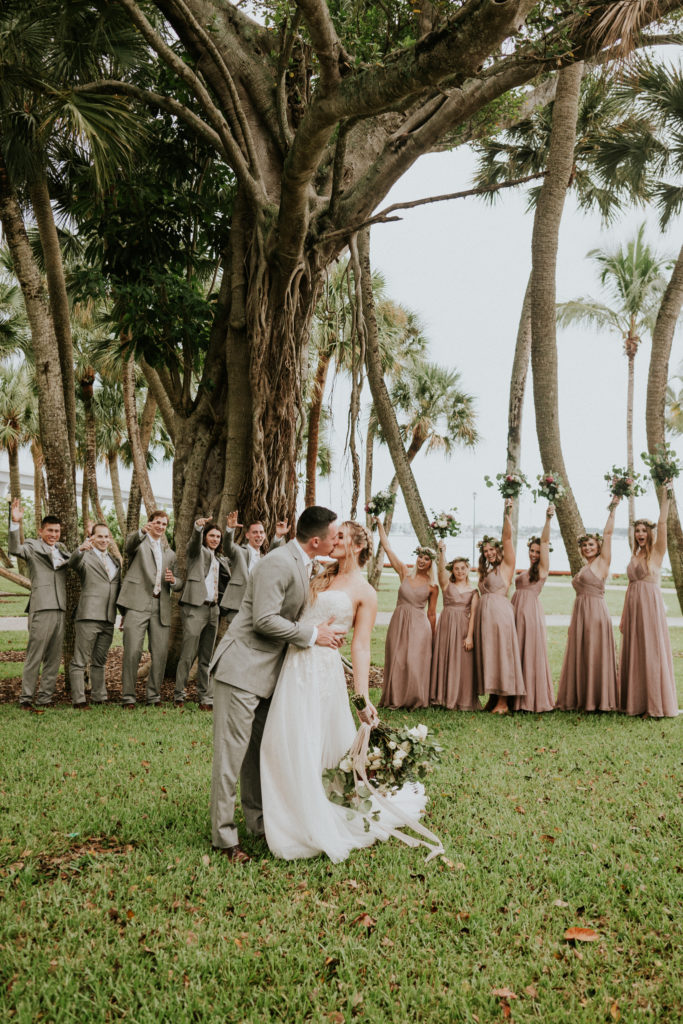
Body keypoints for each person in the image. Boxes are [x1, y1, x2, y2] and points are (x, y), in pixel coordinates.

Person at [260, 521, 430, 862]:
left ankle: (313, 818)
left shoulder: (364, 591)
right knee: (282, 740)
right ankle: (287, 813)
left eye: (340, 537)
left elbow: (361, 647)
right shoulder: (318, 574)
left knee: (313, 741)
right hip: (293, 666)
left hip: (323, 672)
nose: (332, 541)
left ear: (355, 545)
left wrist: (362, 697)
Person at [209, 506, 345, 863]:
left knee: (258, 754)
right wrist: (314, 634)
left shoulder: (302, 561)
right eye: (334, 536)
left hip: (269, 674)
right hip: (241, 669)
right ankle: (224, 839)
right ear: (316, 541)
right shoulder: (278, 563)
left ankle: (259, 824)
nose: (337, 540)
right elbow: (264, 620)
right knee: (231, 756)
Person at [556, 499, 620, 712]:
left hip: (595, 612)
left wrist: (613, 508)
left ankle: (598, 701)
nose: (587, 548)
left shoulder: (602, 562)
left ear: (598, 546)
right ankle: (582, 698)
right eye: (584, 545)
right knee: (582, 653)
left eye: (591, 544)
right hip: (580, 612)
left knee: (595, 652)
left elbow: (609, 534)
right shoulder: (585, 567)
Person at [618, 488, 678, 717]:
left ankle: (653, 706)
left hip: (650, 608)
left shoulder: (656, 553)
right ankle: (636, 703)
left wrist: (666, 497)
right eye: (637, 531)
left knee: (651, 652)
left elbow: (662, 524)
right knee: (636, 653)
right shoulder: (635, 555)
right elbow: (630, 587)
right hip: (633, 607)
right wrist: (624, 615)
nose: (640, 534)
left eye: (643, 530)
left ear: (650, 533)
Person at [8, 499, 70, 710]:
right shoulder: (33, 546)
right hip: (41, 607)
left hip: (61, 607)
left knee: (54, 658)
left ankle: (45, 698)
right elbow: (15, 548)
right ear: (41, 531)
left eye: (57, 531)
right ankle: (25, 699)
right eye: (50, 531)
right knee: (35, 656)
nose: (54, 535)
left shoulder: (62, 549)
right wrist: (15, 523)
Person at [117, 511, 183, 708]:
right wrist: (140, 532)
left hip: (160, 606)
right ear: (150, 523)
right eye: (157, 523)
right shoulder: (139, 544)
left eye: (164, 524)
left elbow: (178, 583)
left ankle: (153, 696)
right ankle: (128, 697)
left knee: (160, 653)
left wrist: (174, 581)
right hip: (137, 604)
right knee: (132, 651)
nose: (161, 527)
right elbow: (127, 546)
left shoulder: (170, 553)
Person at [374, 518, 437, 711]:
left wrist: (432, 637)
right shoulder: (404, 572)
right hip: (399, 621)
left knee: (414, 661)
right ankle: (395, 698)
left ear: (431, 563)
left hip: (420, 625)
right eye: (420, 557)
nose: (422, 561)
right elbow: (387, 547)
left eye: (427, 559)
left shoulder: (433, 585)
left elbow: (432, 613)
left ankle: (415, 700)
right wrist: (379, 525)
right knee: (397, 658)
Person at [174, 518, 232, 709]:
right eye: (211, 535)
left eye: (218, 536)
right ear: (205, 537)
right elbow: (192, 545)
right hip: (195, 607)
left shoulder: (220, 559)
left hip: (213, 609)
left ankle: (204, 697)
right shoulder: (196, 553)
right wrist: (198, 528)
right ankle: (179, 695)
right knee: (188, 654)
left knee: (207, 656)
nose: (215, 539)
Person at [474, 498, 525, 714]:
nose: (489, 553)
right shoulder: (484, 572)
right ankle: (493, 697)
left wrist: (507, 514)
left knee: (502, 653)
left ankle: (504, 702)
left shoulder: (506, 566)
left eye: (492, 549)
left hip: (500, 614)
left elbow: (507, 538)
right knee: (490, 654)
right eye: (485, 551)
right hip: (485, 617)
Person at [67, 522, 121, 708]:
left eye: (107, 536)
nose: (104, 540)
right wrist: (81, 548)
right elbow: (72, 562)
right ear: (92, 537)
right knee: (80, 660)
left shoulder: (114, 561)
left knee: (100, 660)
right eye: (100, 536)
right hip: (88, 615)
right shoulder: (85, 557)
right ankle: (79, 700)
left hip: (108, 617)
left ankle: (99, 697)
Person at [510, 504, 556, 713]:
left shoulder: (543, 570)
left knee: (529, 653)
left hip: (529, 613)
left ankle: (529, 700)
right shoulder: (526, 569)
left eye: (538, 552)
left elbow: (545, 540)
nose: (535, 554)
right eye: (532, 550)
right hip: (515, 611)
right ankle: (514, 697)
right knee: (516, 652)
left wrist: (548, 519)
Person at [429, 547, 479, 710]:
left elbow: (474, 615)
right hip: (446, 626)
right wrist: (442, 552)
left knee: (461, 662)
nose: (460, 571)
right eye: (456, 568)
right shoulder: (446, 585)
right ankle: (441, 697)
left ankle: (460, 698)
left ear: (468, 569)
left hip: (463, 628)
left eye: (463, 568)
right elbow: (441, 570)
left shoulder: (474, 591)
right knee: (444, 657)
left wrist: (470, 636)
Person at [219, 512, 288, 623]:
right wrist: (230, 529)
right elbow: (228, 547)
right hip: (238, 607)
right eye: (255, 532)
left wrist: (278, 536)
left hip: (258, 609)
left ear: (264, 535)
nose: (259, 535)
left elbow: (272, 554)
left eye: (261, 532)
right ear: (247, 535)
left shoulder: (264, 558)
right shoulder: (239, 551)